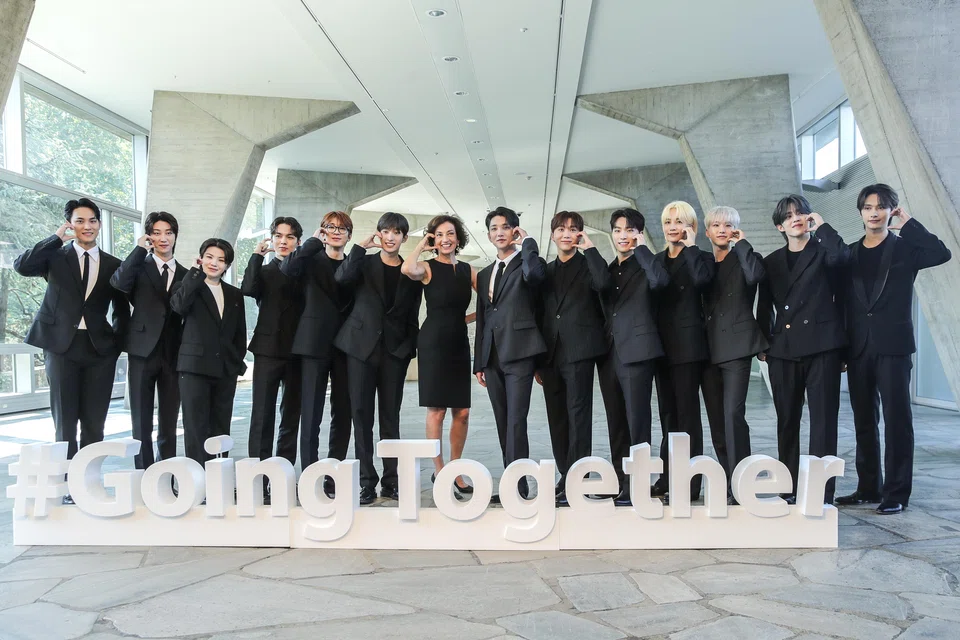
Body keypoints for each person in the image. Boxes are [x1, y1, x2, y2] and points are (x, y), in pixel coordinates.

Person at [835, 184, 951, 514]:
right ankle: (868, 487)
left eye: (881, 206)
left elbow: (941, 253)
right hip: (858, 348)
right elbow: (845, 304)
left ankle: (897, 492)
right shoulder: (850, 254)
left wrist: (909, 224)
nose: (874, 212)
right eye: (868, 207)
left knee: (897, 420)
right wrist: (844, 350)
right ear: (860, 212)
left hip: (894, 347)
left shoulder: (906, 249)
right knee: (863, 421)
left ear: (891, 211)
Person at [14, 198, 129, 503]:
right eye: (79, 221)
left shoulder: (113, 265)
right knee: (65, 421)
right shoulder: (54, 257)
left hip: (98, 350)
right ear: (69, 224)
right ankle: (68, 486)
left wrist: (115, 347)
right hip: (60, 347)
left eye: (92, 221)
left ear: (99, 225)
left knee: (94, 422)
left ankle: (89, 483)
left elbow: (121, 311)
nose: (87, 227)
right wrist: (55, 238)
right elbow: (21, 266)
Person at [757, 195, 850, 505]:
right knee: (787, 420)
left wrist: (823, 227)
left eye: (801, 212)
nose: (796, 217)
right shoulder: (770, 262)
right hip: (782, 350)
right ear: (780, 226)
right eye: (789, 215)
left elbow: (843, 260)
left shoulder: (825, 252)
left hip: (823, 347)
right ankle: (788, 485)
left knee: (823, 420)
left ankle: (823, 492)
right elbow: (764, 306)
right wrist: (764, 342)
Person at [335, 212, 423, 505]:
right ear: (378, 234)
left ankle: (391, 481)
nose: (390, 237)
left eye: (396, 232)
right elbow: (341, 278)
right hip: (360, 349)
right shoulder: (363, 263)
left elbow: (412, 315)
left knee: (390, 418)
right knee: (361, 417)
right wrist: (360, 247)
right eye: (385, 231)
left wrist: (408, 349)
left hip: (394, 353)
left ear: (404, 238)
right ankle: (366, 482)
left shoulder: (410, 271)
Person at [535, 211, 611, 506]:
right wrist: (539, 360)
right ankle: (564, 474)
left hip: (580, 351)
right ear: (553, 234)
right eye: (562, 229)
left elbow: (604, 283)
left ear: (580, 234)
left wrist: (590, 247)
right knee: (557, 417)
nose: (567, 234)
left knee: (579, 415)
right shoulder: (547, 270)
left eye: (574, 229)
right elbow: (542, 313)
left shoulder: (589, 265)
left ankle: (577, 477)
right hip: (551, 353)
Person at [474, 206, 546, 502]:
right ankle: (510, 484)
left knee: (517, 420)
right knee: (503, 420)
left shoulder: (528, 262)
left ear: (515, 230)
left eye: (506, 227)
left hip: (520, 354)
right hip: (492, 357)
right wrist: (479, 361)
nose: (499, 232)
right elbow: (483, 317)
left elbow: (536, 278)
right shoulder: (485, 273)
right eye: (494, 228)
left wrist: (528, 244)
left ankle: (518, 487)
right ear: (489, 234)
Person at [597, 208, 669, 506]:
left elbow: (660, 282)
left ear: (639, 233)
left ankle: (637, 484)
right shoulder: (610, 268)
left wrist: (642, 250)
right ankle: (618, 480)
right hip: (609, 353)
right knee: (616, 421)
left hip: (637, 353)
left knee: (637, 420)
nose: (622, 235)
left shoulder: (648, 263)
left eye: (629, 230)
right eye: (617, 230)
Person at [401, 214, 476, 494]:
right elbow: (407, 269)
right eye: (439, 234)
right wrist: (423, 245)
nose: (446, 239)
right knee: (437, 410)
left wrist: (464, 320)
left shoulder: (468, 270)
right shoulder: (427, 268)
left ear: (458, 239)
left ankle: (455, 470)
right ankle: (439, 470)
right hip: (432, 342)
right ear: (434, 238)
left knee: (463, 411)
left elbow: (493, 300)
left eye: (450, 234)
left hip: (458, 342)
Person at [280, 211, 354, 494]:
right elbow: (287, 269)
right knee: (310, 412)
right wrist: (312, 240)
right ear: (322, 231)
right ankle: (310, 474)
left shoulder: (353, 262)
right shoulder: (309, 260)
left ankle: (334, 474)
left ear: (349, 234)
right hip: (312, 344)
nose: (336, 232)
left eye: (342, 228)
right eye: (330, 227)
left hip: (345, 346)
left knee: (342, 412)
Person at [700, 206, 768, 502]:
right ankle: (728, 478)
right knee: (716, 419)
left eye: (728, 225)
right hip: (705, 349)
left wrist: (742, 244)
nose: (722, 229)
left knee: (733, 414)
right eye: (716, 225)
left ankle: (742, 478)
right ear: (707, 232)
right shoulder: (702, 263)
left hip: (737, 348)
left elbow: (756, 277)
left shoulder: (745, 257)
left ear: (736, 230)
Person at [110, 211, 187, 469]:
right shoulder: (138, 267)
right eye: (156, 232)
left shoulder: (187, 274)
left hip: (174, 352)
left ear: (176, 236)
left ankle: (166, 471)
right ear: (148, 236)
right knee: (141, 418)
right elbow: (118, 283)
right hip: (142, 351)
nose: (163, 238)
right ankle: (142, 471)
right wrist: (138, 250)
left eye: (168, 232)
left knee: (169, 419)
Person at [652, 201, 715, 502]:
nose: (673, 227)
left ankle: (690, 484)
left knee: (688, 418)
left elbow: (703, 282)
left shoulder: (702, 257)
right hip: (661, 349)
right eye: (668, 222)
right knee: (668, 418)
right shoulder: (655, 260)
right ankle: (666, 478)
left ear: (692, 227)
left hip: (690, 349)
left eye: (680, 222)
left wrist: (690, 248)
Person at [241, 217, 305, 499]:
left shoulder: (304, 271)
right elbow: (247, 288)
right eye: (278, 236)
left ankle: (283, 475)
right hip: (267, 349)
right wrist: (256, 255)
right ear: (271, 239)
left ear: (298, 242)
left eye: (290, 237)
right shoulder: (264, 271)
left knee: (290, 416)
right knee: (262, 414)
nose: (283, 241)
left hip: (297, 351)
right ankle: (258, 475)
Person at [171, 238, 247, 466]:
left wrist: (235, 362)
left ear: (227, 265)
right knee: (195, 426)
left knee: (221, 427)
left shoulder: (234, 294)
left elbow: (239, 333)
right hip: (194, 368)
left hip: (225, 368)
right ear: (201, 258)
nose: (214, 263)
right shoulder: (188, 285)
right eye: (210, 257)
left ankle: (218, 479)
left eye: (221, 260)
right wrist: (195, 274)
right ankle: (197, 481)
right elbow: (179, 306)